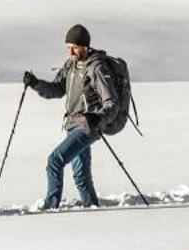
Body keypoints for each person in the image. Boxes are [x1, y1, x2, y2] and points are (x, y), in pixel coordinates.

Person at [22, 23, 118, 209]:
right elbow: (56, 89)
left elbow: (111, 103)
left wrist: (98, 118)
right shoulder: (71, 66)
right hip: (72, 124)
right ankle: (92, 207)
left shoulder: (96, 68)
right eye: (68, 48)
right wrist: (35, 83)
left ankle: (51, 207)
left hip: (88, 126)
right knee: (80, 176)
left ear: (85, 46)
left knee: (54, 161)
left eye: (74, 47)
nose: (71, 52)